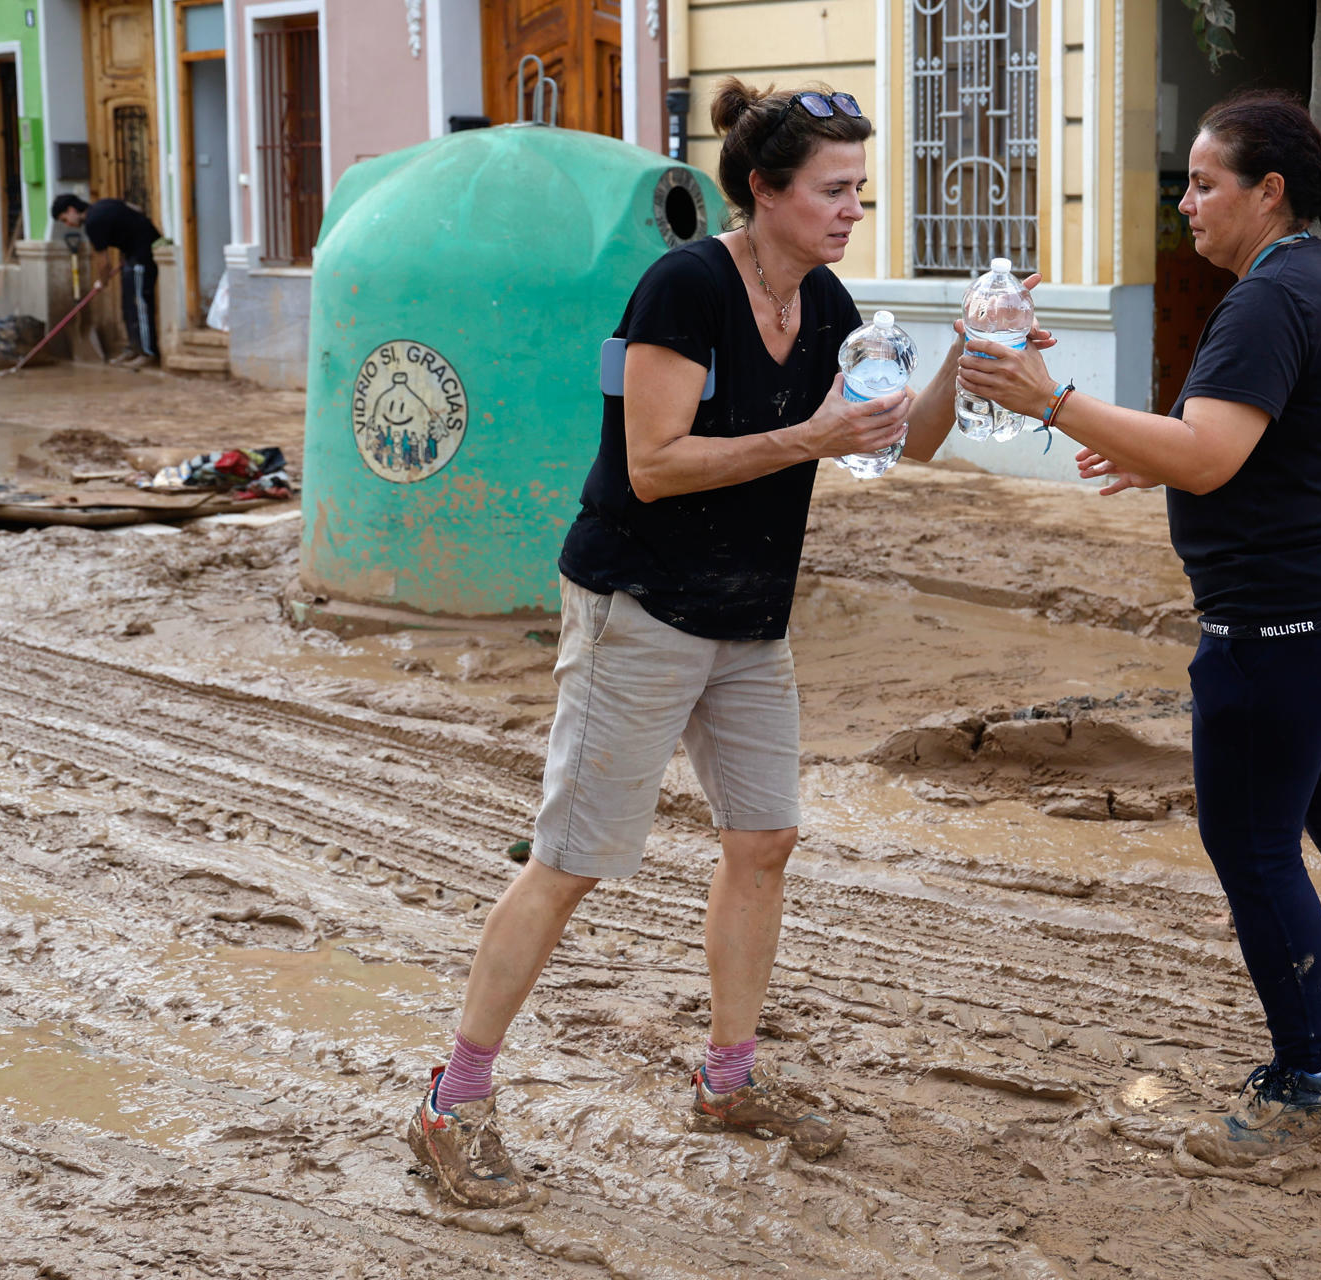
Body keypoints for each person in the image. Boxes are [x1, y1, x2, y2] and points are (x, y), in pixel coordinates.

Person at [402, 78, 1050, 1210]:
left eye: (860, 188)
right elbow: (655, 461)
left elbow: (906, 444)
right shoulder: (685, 286)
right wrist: (811, 430)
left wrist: (968, 354)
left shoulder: (831, 301)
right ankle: (452, 1098)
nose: (855, 208)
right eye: (833, 189)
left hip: (750, 619)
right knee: (573, 861)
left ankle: (728, 1077)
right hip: (639, 606)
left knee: (765, 839)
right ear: (764, 190)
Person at [954, 91, 1321, 1170]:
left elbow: (1209, 454)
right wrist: (1143, 448)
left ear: (1267, 191)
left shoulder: (1269, 299)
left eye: (1203, 183)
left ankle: (1312, 1088)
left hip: (1285, 628)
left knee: (1252, 843)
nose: (1185, 204)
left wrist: (1055, 401)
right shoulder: (1320, 279)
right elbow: (1242, 446)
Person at [52, 194, 161, 370]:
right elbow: (136, 209)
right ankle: (134, 348)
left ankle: (148, 353)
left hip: (143, 256)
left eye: (65, 219)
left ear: (72, 210)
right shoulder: (103, 204)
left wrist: (102, 282)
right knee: (128, 306)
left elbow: (104, 262)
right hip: (133, 254)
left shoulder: (93, 224)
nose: (68, 224)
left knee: (139, 304)